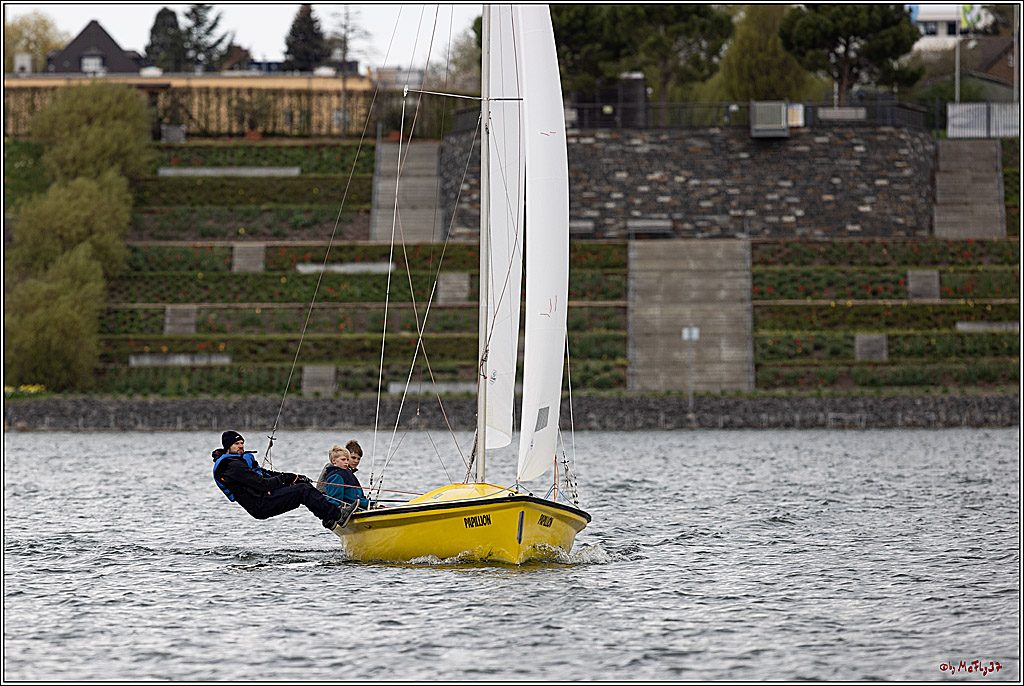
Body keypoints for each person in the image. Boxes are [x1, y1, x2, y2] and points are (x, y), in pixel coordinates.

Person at [212, 430, 355, 530]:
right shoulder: (232, 467)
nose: (241, 446)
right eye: (236, 444)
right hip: (260, 505)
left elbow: (266, 474)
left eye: (242, 443)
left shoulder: (237, 461)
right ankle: (338, 515)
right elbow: (261, 484)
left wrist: (294, 478)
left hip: (265, 497)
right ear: (228, 447)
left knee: (302, 485)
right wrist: (286, 478)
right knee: (303, 491)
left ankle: (329, 518)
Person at [323, 444, 372, 510]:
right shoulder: (336, 476)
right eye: (343, 460)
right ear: (333, 461)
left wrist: (368, 503)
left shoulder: (347, 473)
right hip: (350, 510)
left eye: (347, 460)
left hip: (360, 506)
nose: (346, 462)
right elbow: (335, 500)